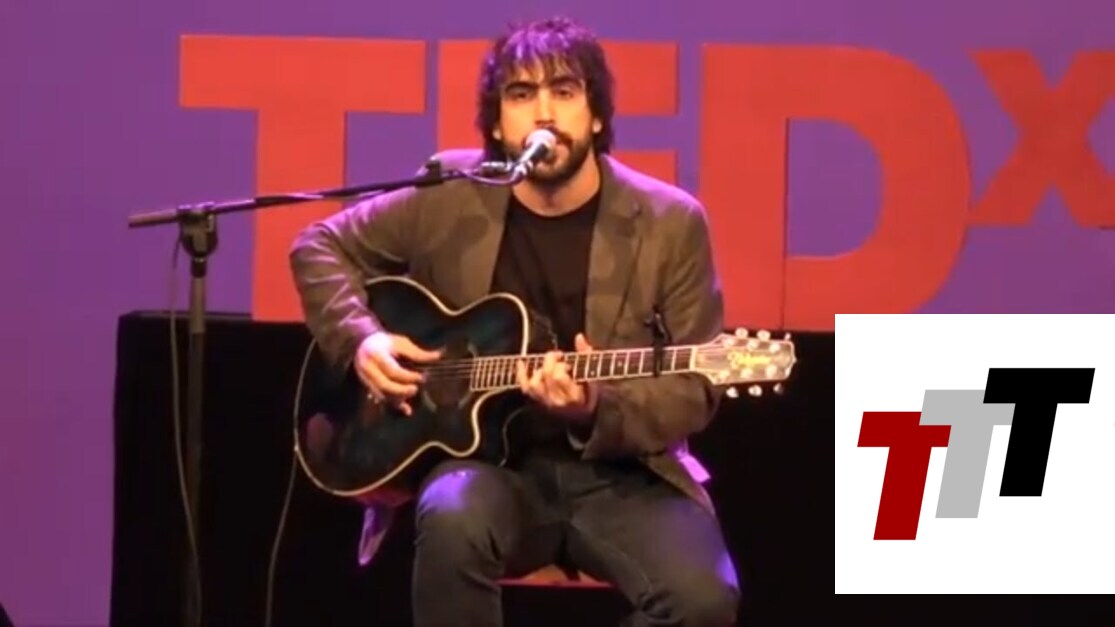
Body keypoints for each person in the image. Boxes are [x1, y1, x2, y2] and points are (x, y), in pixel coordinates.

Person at [289, 15, 740, 627]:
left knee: (703, 598)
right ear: (499, 125)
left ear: (596, 116)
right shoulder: (451, 194)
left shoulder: (670, 222)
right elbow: (317, 245)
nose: (544, 114)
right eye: (522, 95)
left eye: (564, 91)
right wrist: (361, 340)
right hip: (490, 472)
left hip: (622, 475)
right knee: (450, 515)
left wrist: (593, 406)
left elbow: (694, 387)